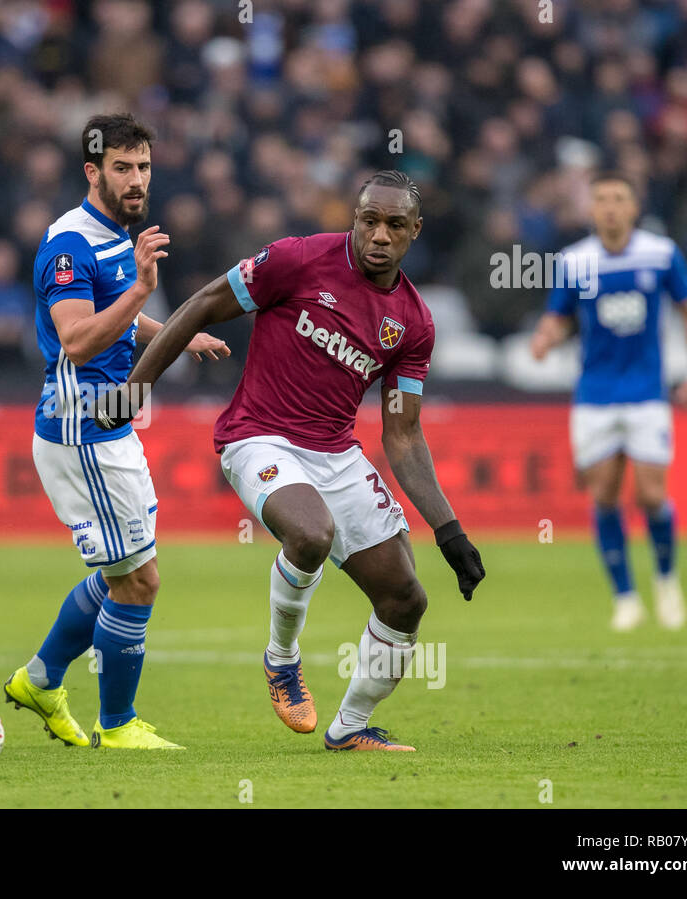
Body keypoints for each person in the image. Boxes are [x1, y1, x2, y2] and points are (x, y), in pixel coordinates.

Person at [96, 171, 485, 751]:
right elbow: (202, 305)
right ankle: (282, 660)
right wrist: (137, 387)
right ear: (353, 218)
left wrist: (449, 530)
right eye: (369, 220)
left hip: (336, 451)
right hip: (258, 437)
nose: (379, 235)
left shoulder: (414, 323)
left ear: (415, 232)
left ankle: (349, 729)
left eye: (394, 225)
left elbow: (402, 435)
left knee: (406, 598)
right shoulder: (298, 260)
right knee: (311, 534)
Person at [2, 113, 228, 750]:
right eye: (123, 168)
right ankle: (119, 725)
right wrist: (142, 290)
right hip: (84, 433)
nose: (136, 180)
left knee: (117, 572)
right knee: (140, 578)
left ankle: (41, 680)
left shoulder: (112, 235)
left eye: (144, 167)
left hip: (109, 426)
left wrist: (178, 333)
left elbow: (119, 315)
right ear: (92, 171)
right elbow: (76, 340)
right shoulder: (68, 244)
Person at [530, 172, 687, 631]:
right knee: (605, 494)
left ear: (633, 207)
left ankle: (667, 581)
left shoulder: (661, 253)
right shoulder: (574, 261)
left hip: (646, 392)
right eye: (602, 200)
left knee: (651, 493)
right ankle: (626, 597)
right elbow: (560, 316)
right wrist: (546, 337)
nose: (610, 207)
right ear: (592, 211)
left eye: (619, 199)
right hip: (594, 395)